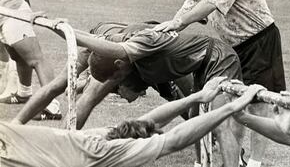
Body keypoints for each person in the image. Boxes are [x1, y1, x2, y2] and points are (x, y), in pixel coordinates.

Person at [13, 21, 244, 167]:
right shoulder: (98, 49)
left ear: (120, 67)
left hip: (213, 58)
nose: (116, 89)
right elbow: (62, 87)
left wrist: (68, 32)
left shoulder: (141, 43)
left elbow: (165, 128)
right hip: (140, 49)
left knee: (214, 120)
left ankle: (232, 158)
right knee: (195, 112)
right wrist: (19, 126)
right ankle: (201, 161)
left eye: (115, 82)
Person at [153, 0, 286, 167]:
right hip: (234, 48)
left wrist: (178, 24)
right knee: (234, 104)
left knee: (258, 104)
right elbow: (188, 9)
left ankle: (255, 163)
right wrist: (166, 31)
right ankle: (235, 159)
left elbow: (209, 5)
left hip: (260, 42)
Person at [1, 77, 265, 167]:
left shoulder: (103, 134)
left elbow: (146, 120)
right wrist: (233, 106)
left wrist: (195, 97)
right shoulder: (109, 152)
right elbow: (173, 140)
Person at [11, 21, 192, 128]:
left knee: (186, 98)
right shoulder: (125, 61)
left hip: (109, 37)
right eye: (121, 91)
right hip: (108, 43)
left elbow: (184, 101)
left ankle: (18, 128)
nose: (127, 99)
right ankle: (17, 128)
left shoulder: (160, 58)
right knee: (77, 90)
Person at [0, 0, 60, 120]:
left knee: (36, 59)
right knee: (17, 56)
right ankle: (24, 93)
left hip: (12, 13)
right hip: (4, 15)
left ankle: (52, 106)